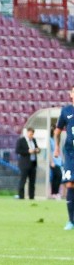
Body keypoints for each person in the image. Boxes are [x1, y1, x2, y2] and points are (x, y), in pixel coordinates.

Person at [54, 88, 74, 229]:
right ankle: (71, 220)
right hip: (70, 153)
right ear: (71, 94)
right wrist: (56, 147)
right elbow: (57, 131)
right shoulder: (66, 111)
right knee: (70, 184)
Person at [15, 127, 39, 200]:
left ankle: (31, 197)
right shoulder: (21, 140)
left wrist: (37, 150)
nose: (31, 135)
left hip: (33, 164)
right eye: (30, 133)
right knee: (23, 180)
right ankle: (21, 196)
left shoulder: (34, 140)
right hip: (24, 164)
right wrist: (28, 151)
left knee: (32, 182)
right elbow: (17, 150)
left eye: (32, 134)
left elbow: (36, 147)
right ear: (27, 132)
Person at [49, 125, 62, 200]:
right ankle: (55, 193)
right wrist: (51, 161)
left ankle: (55, 193)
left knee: (57, 177)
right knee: (57, 176)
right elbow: (49, 151)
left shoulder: (57, 139)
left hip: (59, 161)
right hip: (54, 161)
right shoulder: (50, 140)